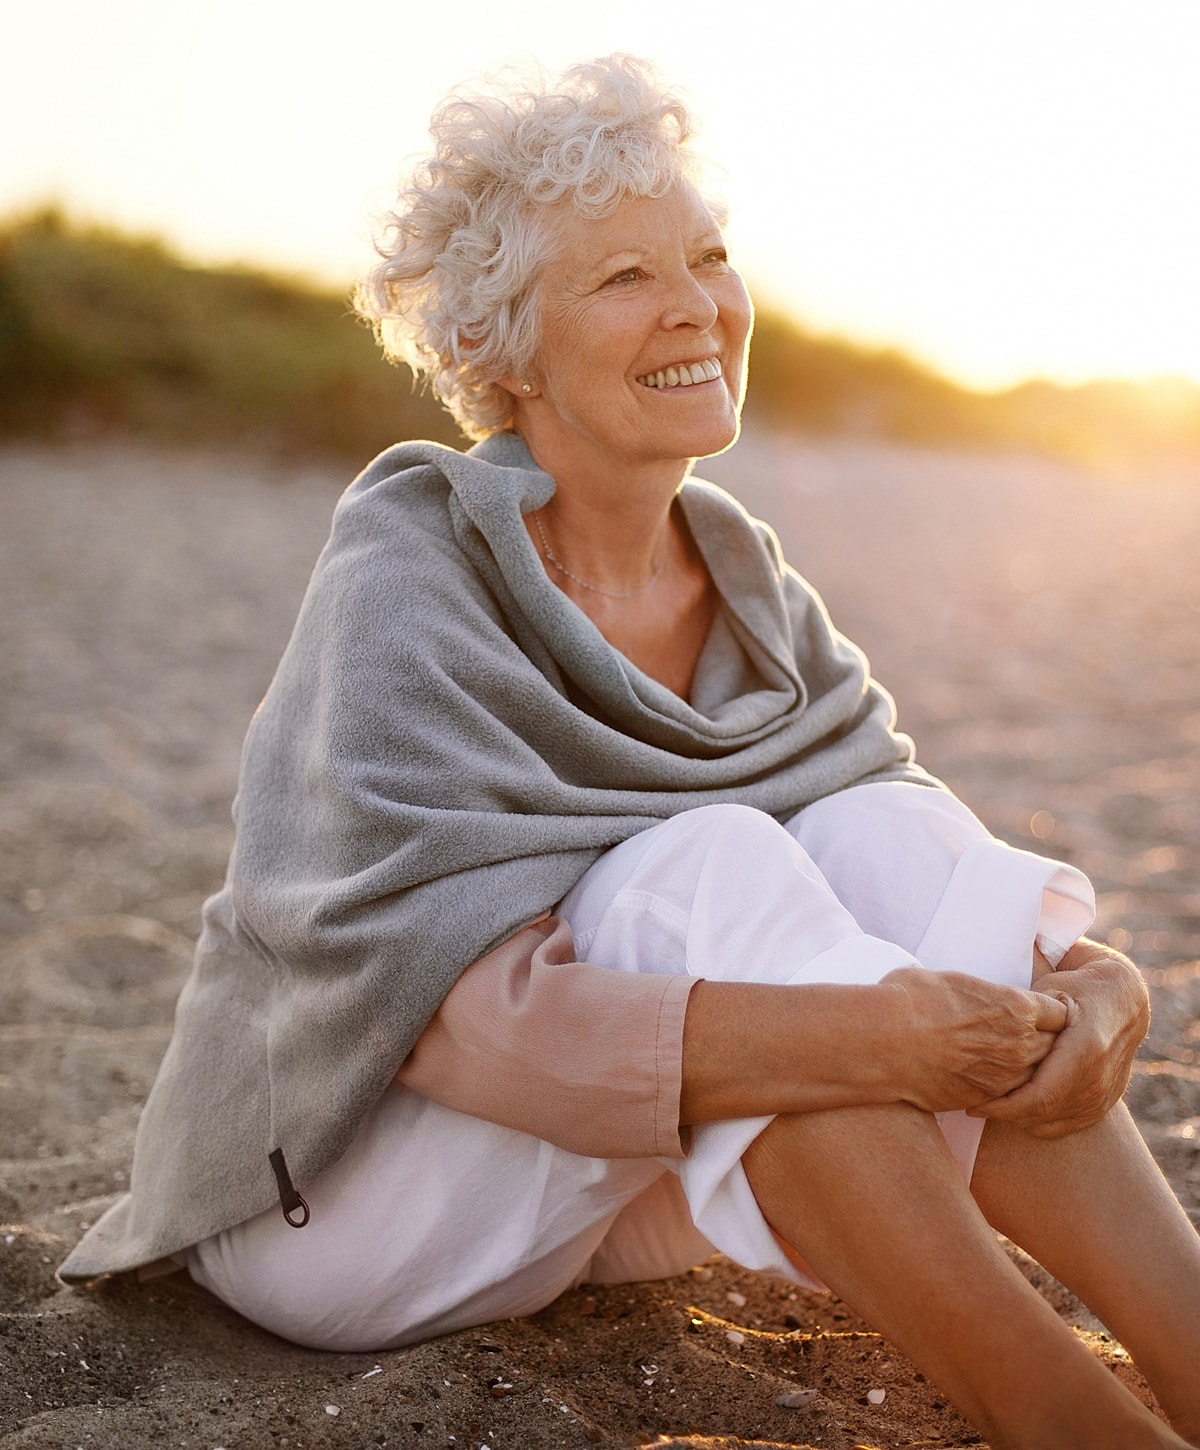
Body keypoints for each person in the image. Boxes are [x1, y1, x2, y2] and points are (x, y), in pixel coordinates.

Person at [61, 55, 1200, 1450]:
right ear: (507, 355)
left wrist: (1101, 990)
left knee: (872, 831)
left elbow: (921, 859)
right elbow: (458, 1028)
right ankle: (1075, 1423)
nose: (698, 305)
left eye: (710, 256)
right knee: (710, 862)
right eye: (621, 279)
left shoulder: (743, 573)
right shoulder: (412, 571)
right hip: (339, 1194)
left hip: (598, 1175)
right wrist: (883, 1033)